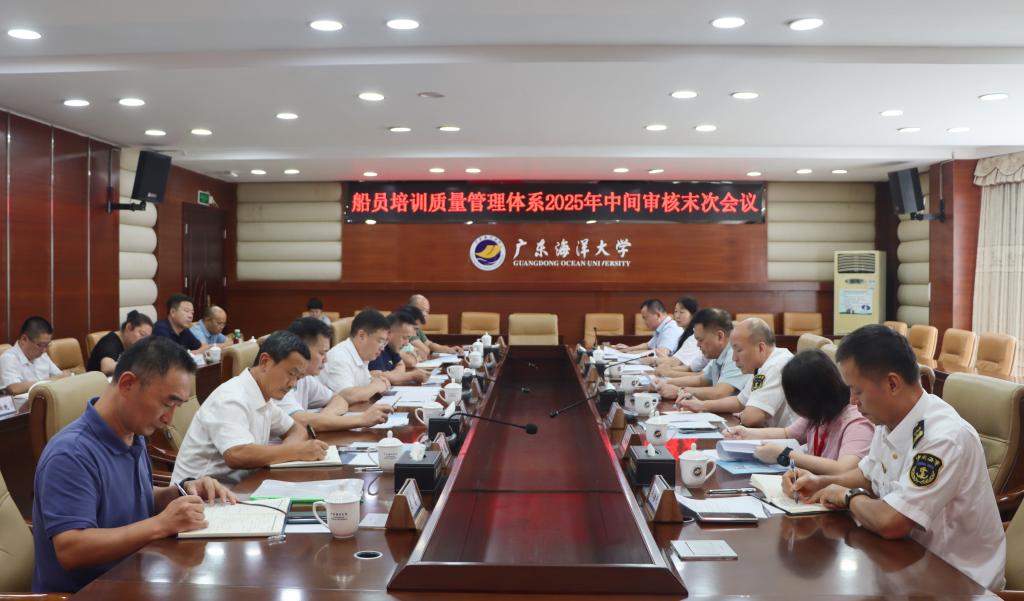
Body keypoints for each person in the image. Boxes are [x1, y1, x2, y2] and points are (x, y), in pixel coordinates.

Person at [787, 324, 1006, 590]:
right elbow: (868, 475)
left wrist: (847, 496)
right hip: (907, 564)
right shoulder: (889, 419)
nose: (852, 401)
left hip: (958, 583)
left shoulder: (943, 438)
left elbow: (892, 523)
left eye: (858, 391)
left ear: (892, 383)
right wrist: (820, 482)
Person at [31, 337, 235, 593]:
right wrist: (161, 524)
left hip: (137, 575)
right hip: (89, 592)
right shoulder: (71, 454)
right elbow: (72, 548)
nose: (169, 418)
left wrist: (181, 491)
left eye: (177, 406)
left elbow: (133, 498)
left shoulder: (132, 433)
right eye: (167, 403)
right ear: (128, 383)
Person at [171, 331, 328, 484]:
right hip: (199, 495)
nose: (292, 384)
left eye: (298, 378)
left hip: (239, 488)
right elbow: (236, 454)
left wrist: (286, 453)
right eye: (291, 373)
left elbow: (297, 430)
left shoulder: (264, 396)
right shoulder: (232, 397)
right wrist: (296, 451)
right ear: (265, 362)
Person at [726, 349, 874, 475]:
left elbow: (844, 470)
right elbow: (787, 434)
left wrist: (785, 454)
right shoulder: (822, 410)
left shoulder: (856, 421)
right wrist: (746, 433)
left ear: (810, 397)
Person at [274, 317, 392, 430]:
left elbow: (339, 400)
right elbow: (301, 422)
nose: (326, 359)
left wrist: (323, 418)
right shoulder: (280, 380)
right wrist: (362, 419)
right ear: (301, 350)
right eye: (322, 353)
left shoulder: (305, 378)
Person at [677, 318, 796, 428]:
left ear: (761, 348)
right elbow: (740, 401)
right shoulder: (763, 366)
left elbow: (751, 418)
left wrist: (744, 413)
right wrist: (702, 405)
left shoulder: (776, 365)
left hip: (790, 441)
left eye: (738, 350)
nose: (734, 358)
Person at [654, 308, 749, 401]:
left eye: (701, 340)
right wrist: (665, 382)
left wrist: (680, 391)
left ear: (720, 336)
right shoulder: (719, 353)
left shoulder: (735, 353)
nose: (697, 345)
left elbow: (720, 393)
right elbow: (701, 379)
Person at [320, 309, 392, 402]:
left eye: (384, 343)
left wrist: (375, 380)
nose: (382, 348)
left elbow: (362, 385)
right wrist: (376, 386)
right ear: (362, 336)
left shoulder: (361, 355)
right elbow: (346, 396)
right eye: (380, 341)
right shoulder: (339, 356)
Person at [0, 316, 71, 395]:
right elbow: (14, 388)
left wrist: (61, 377)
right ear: (24, 339)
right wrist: (50, 381)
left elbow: (60, 376)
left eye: (47, 345)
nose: (44, 350)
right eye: (40, 345)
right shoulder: (8, 358)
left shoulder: (43, 355)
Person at [369, 310, 431, 385]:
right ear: (390, 333)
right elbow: (377, 376)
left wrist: (393, 376)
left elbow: (401, 365)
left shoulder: (392, 348)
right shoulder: (377, 348)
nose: (407, 343)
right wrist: (411, 376)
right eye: (404, 338)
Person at [86, 311, 154, 376]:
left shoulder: (130, 344)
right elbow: (106, 368)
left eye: (147, 338)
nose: (145, 341)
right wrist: (136, 363)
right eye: (142, 334)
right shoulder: (110, 343)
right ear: (129, 327)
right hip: (96, 383)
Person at [653, 296, 707, 376]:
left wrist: (654, 361)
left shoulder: (694, 337)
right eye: (675, 311)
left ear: (693, 315)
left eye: (681, 312)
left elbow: (676, 362)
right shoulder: (683, 335)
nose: (677, 316)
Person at [616, 299, 684, 356]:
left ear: (658, 315)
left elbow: (661, 354)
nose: (644, 322)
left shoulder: (671, 329)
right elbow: (648, 345)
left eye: (645, 318)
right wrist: (628, 349)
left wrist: (631, 353)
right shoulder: (663, 327)